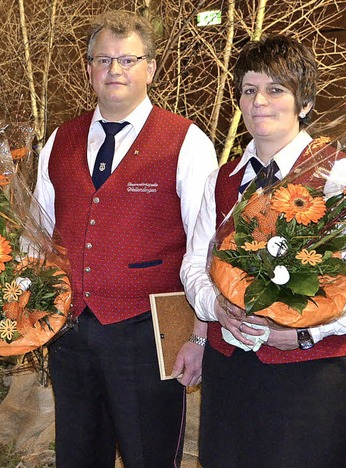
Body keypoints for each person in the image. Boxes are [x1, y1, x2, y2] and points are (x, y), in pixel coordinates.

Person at [33, 10, 217, 468]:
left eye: (128, 60)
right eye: (104, 60)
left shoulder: (187, 141)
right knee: (77, 455)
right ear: (89, 68)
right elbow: (37, 233)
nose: (115, 70)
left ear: (150, 69)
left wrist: (200, 335)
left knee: (148, 456)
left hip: (149, 331)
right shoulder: (59, 139)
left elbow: (206, 244)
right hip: (71, 331)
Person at [181, 35, 346, 467]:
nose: (260, 101)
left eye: (276, 89)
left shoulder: (339, 174)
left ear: (305, 102)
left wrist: (307, 331)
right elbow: (195, 263)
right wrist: (215, 307)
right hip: (231, 368)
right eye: (249, 90)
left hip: (312, 372)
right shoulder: (222, 180)